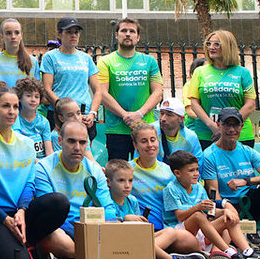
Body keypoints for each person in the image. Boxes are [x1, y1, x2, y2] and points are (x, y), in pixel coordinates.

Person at [0, 86, 69, 259]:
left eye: (15, 106)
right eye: (5, 106)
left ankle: (26, 242)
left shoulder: (26, 144)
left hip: (20, 213)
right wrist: (6, 220)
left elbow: (29, 184)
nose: (12, 111)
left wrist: (21, 211)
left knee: (59, 202)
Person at [162, 150, 260, 259]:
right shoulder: (171, 189)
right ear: (177, 173)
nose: (196, 174)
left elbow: (210, 211)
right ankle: (231, 254)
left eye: (197, 169)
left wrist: (225, 212)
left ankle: (246, 253)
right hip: (182, 232)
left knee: (228, 217)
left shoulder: (198, 187)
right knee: (198, 216)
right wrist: (197, 207)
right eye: (191, 170)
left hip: (202, 232)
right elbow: (180, 216)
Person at [199, 107, 260, 258]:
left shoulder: (247, 151)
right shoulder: (209, 155)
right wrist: (227, 210)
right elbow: (214, 193)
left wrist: (247, 181)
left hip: (249, 204)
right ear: (218, 125)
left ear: (241, 127)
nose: (231, 129)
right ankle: (241, 243)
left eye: (235, 125)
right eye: (227, 124)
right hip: (228, 205)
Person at [31, 120, 112, 259]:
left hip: (93, 232)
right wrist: (81, 233)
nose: (77, 147)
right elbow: (49, 214)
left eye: (82, 143)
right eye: (71, 141)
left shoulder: (95, 170)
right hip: (62, 230)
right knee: (52, 237)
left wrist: (107, 230)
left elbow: (107, 208)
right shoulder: (43, 168)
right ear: (60, 141)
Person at [103, 158, 207, 259]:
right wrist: (125, 220)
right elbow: (110, 231)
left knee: (170, 231)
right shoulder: (106, 201)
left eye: (131, 180)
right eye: (121, 181)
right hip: (119, 245)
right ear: (109, 182)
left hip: (138, 242)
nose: (127, 185)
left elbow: (141, 232)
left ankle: (144, 254)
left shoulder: (132, 200)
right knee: (141, 239)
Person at [96, 18, 163, 161]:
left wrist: (140, 113)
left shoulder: (149, 61)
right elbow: (102, 93)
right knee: (118, 173)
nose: (128, 34)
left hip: (145, 126)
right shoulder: (105, 61)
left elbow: (158, 92)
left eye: (132, 31)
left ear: (138, 37)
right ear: (116, 35)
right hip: (116, 129)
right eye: (123, 31)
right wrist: (125, 115)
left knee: (146, 171)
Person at [185, 30, 257, 150]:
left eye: (217, 44)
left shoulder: (243, 72)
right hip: (206, 134)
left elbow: (250, 104)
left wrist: (230, 126)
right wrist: (213, 126)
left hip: (240, 135)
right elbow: (194, 103)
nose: (211, 47)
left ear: (229, 46)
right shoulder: (200, 72)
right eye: (209, 44)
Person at [38, 17, 99, 139]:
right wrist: (64, 109)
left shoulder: (86, 58)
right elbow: (47, 89)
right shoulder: (50, 57)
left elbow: (98, 90)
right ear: (59, 34)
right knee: (60, 152)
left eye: (76, 32)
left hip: (84, 116)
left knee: (84, 153)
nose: (73, 35)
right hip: (59, 116)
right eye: (69, 32)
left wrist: (92, 113)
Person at [129, 124, 174, 230]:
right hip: (140, 227)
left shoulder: (169, 171)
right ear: (135, 145)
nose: (150, 145)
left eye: (153, 140)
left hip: (169, 226)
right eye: (144, 141)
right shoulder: (127, 170)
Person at [12, 76, 53, 159]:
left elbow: (49, 151)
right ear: (19, 98)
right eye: (28, 95)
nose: (33, 99)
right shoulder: (14, 121)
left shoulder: (44, 122)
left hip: (42, 165)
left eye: (36, 96)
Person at [0, 17, 35, 87]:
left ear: (21, 35)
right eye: (8, 33)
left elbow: (37, 90)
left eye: (17, 32)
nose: (13, 36)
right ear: (2, 36)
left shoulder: (33, 61)